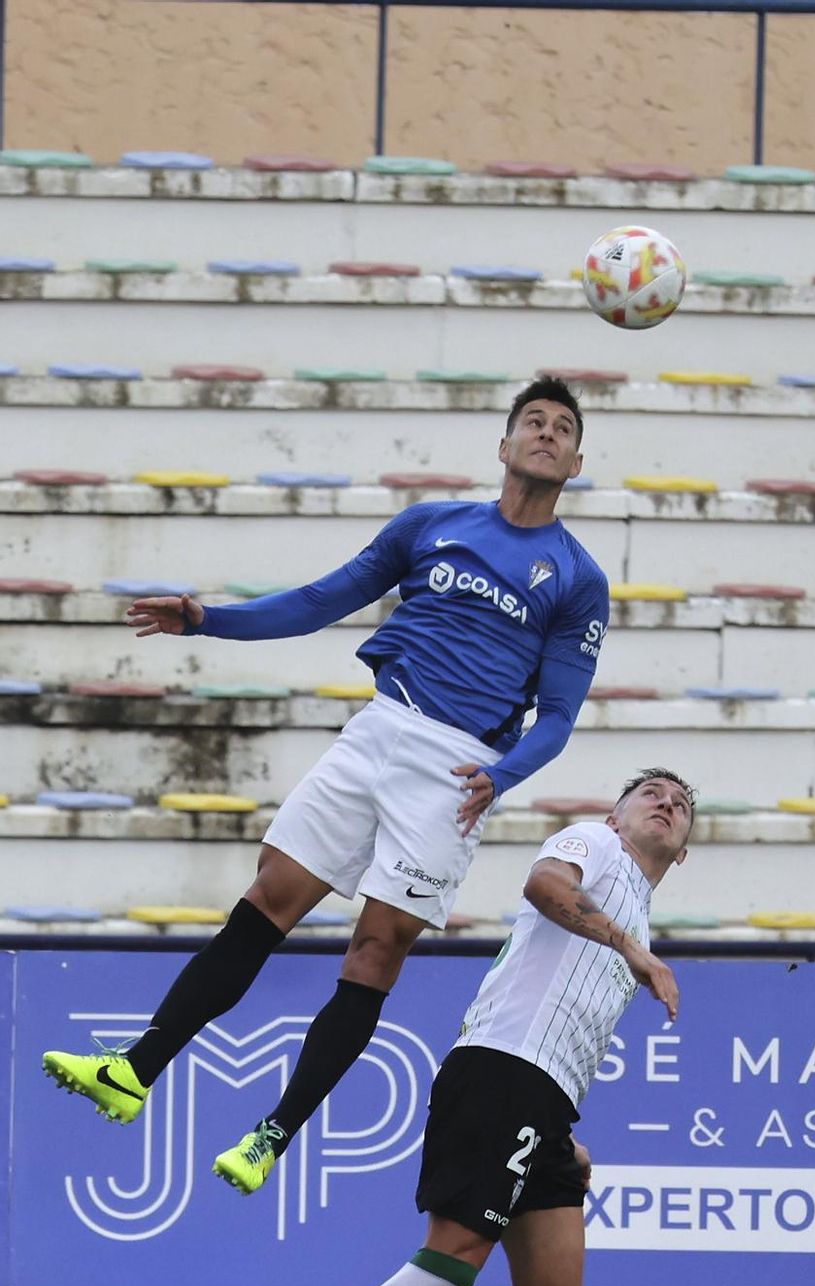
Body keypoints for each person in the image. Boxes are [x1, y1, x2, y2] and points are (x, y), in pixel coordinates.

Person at [43, 378, 610, 1194]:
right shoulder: (431, 527)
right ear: (505, 444)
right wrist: (210, 620)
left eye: (562, 428)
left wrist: (501, 773)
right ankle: (133, 1071)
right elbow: (319, 601)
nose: (546, 434)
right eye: (533, 422)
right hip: (379, 730)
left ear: (577, 461)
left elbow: (556, 716)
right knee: (269, 896)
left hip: (456, 767)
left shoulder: (577, 580)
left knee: (374, 949)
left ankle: (273, 1134)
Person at [274, 767, 695, 1286]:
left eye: (682, 805)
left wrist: (560, 1132)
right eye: (651, 793)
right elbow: (544, 885)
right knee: (454, 1255)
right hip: (502, 1070)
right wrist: (630, 948)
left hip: (541, 1097)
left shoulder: (637, 907)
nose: (667, 804)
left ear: (683, 850)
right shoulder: (596, 843)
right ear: (617, 813)